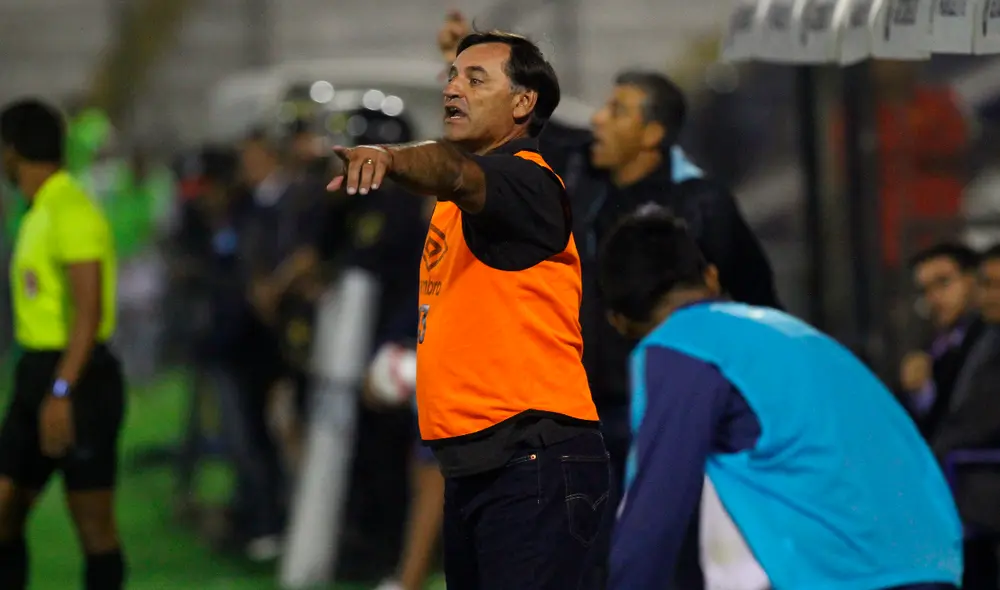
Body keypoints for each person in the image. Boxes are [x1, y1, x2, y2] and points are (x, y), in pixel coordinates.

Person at [435, 11, 781, 488]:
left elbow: (754, 299)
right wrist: (471, 63)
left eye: (617, 111)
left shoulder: (699, 204)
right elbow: (521, 122)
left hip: (661, 401)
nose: (598, 118)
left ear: (652, 135)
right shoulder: (581, 178)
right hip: (580, 407)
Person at [328, 29, 610, 590]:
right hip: (479, 466)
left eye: (474, 79)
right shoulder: (465, 202)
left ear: (523, 103)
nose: (453, 89)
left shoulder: (526, 181)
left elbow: (453, 168)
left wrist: (388, 156)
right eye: (451, 78)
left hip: (532, 462)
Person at [598, 208, 963, 590]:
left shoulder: (676, 348)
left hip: (847, 574)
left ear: (617, 321)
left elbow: (654, 512)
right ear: (711, 277)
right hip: (935, 560)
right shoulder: (797, 336)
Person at [0, 99, 126, 589]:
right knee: (5, 514)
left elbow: (88, 312)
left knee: (93, 524)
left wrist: (61, 391)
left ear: (12, 150)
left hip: (78, 378)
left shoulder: (71, 207)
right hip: (36, 372)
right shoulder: (40, 208)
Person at [930, 244, 1000, 590]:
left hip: (980, 480)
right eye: (987, 285)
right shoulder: (983, 338)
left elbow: (981, 421)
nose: (990, 296)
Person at [900, 243, 984, 437]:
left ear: (972, 279)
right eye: (925, 290)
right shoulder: (930, 347)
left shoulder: (988, 338)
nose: (934, 297)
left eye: (943, 282)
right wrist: (919, 392)